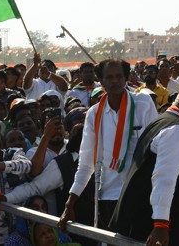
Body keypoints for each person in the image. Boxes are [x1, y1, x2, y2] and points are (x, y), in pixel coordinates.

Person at [61, 59, 158, 232]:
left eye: (119, 76)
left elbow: (156, 149)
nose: (115, 81)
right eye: (109, 77)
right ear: (101, 80)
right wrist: (70, 203)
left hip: (141, 195)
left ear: (126, 77)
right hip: (109, 197)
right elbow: (85, 164)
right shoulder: (94, 114)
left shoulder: (143, 104)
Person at [111, 86, 179, 246]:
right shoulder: (177, 131)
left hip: (143, 220)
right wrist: (161, 224)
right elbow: (164, 178)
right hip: (151, 228)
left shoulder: (163, 120)